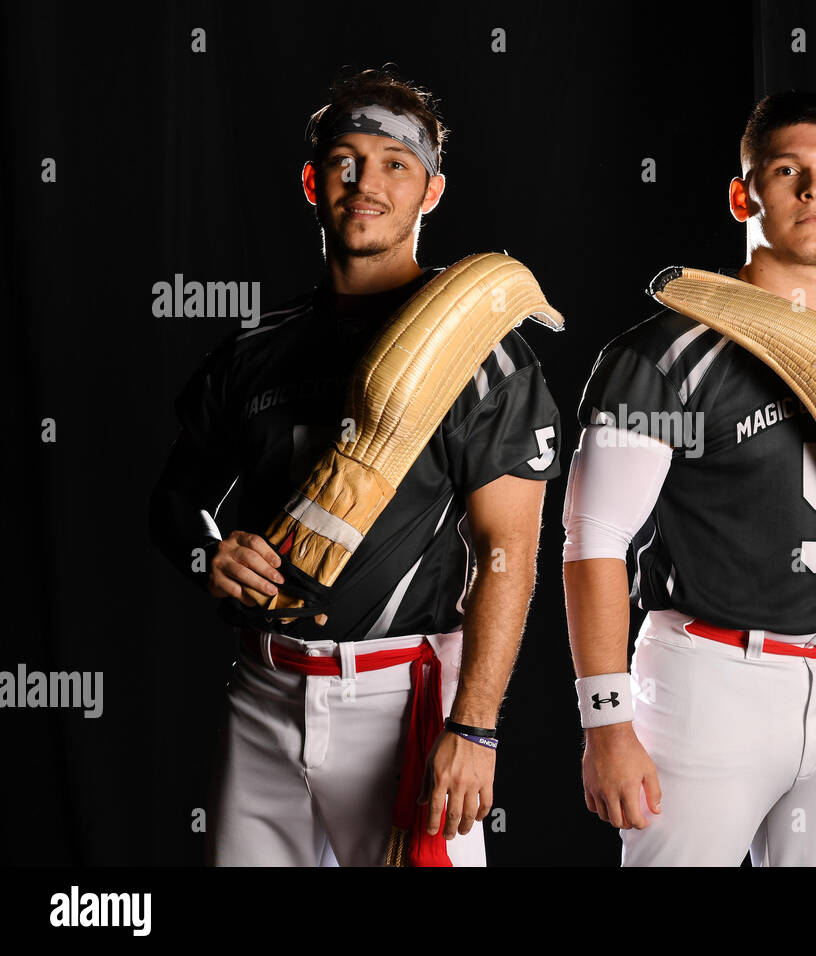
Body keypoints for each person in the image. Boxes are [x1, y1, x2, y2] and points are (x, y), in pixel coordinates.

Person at [148, 67, 561, 866]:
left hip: (402, 698)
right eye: (345, 160)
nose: (365, 183)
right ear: (313, 180)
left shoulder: (481, 358)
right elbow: (174, 502)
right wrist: (211, 552)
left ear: (430, 193)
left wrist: (474, 725)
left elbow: (506, 554)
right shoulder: (254, 350)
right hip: (264, 690)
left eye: (394, 164)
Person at [561, 90, 816, 866]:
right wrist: (606, 723)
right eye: (788, 170)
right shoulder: (666, 353)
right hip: (708, 680)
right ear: (745, 194)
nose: (815, 189)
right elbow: (593, 539)